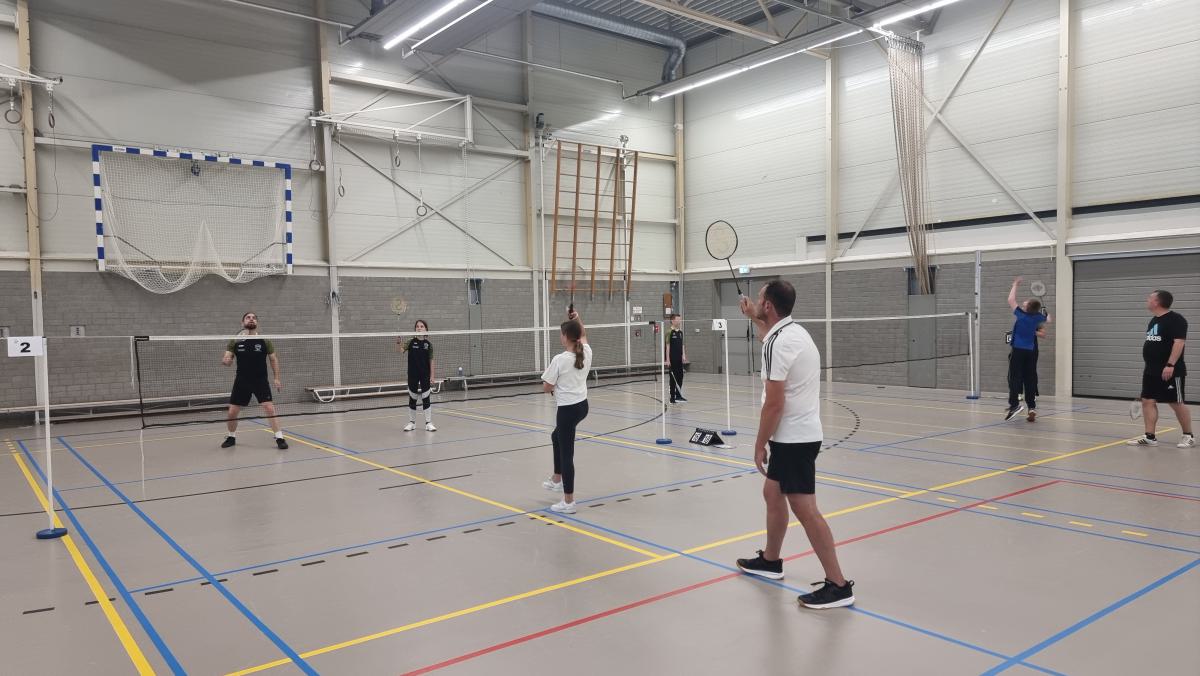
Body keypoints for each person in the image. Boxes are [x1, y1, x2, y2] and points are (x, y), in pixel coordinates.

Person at [734, 280, 855, 609]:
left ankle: (838, 585)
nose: (757, 302)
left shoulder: (779, 343)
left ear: (769, 306)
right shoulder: (794, 333)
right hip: (799, 435)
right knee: (772, 493)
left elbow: (774, 404)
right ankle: (771, 561)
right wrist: (752, 316)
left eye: (760, 300)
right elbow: (768, 336)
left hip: (793, 440)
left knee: (806, 510)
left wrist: (759, 444)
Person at [540, 310, 592, 514]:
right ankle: (557, 478)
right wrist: (577, 318)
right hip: (582, 407)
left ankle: (568, 501)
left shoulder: (560, 359)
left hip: (567, 411)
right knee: (556, 437)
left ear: (566, 337)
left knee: (567, 454)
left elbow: (547, 387)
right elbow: (583, 334)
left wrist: (554, 386)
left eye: (561, 334)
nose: (560, 337)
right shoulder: (586, 351)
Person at [1129, 290, 1194, 448]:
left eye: (1150, 298)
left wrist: (1170, 365)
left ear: (1157, 302)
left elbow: (1179, 343)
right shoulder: (1154, 320)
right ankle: (1150, 437)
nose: (1147, 300)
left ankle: (1188, 436)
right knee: (1147, 401)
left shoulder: (1176, 319)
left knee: (1176, 402)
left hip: (1170, 370)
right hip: (1151, 370)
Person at [221, 312, 287, 450]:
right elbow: (227, 359)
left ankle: (279, 437)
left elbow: (273, 359)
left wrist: (276, 378)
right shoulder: (235, 340)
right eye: (248, 317)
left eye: (254, 318)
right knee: (232, 412)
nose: (251, 319)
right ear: (242, 322)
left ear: (257, 323)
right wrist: (226, 361)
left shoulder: (264, 340)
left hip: (260, 380)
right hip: (242, 381)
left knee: (269, 408)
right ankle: (231, 437)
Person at [1005, 277, 1049, 422]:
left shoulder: (1023, 316)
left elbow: (1011, 300)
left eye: (1026, 302)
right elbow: (1047, 321)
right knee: (1029, 378)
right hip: (1030, 351)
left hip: (1022, 350)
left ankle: (1015, 405)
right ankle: (1031, 407)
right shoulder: (1037, 318)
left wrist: (1015, 285)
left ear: (1027, 307)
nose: (1024, 302)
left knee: (1015, 377)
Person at [398, 319, 437, 432]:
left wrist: (432, 376)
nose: (419, 328)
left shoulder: (428, 345)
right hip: (412, 374)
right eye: (417, 326)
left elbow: (431, 361)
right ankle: (412, 423)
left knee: (426, 397)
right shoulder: (410, 342)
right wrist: (398, 342)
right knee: (413, 398)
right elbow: (400, 351)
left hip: (425, 374)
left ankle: (428, 423)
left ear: (426, 329)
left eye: (421, 326)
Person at [666, 313, 688, 403]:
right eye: (678, 319)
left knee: (680, 376)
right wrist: (668, 360)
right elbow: (667, 346)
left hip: (679, 359)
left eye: (680, 319)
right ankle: (672, 398)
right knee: (673, 378)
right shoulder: (669, 332)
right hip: (672, 359)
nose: (679, 321)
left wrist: (683, 355)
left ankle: (678, 396)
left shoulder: (680, 332)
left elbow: (682, 345)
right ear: (672, 320)